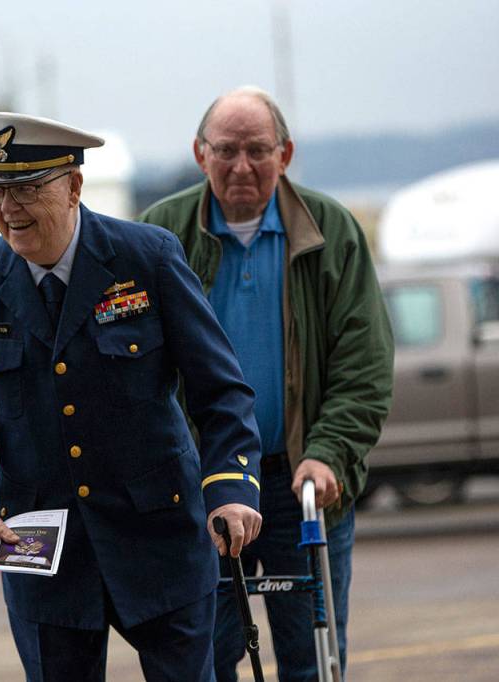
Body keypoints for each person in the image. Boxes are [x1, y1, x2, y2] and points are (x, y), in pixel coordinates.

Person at [0, 112, 264, 681]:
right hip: (38, 551)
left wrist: (231, 490)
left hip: (158, 538)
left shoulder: (147, 257)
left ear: (74, 186)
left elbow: (222, 391)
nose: (8, 209)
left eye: (27, 189)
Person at [138, 86, 394, 681]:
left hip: (298, 483)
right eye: (226, 150)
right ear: (200, 155)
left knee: (311, 662)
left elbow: (365, 365)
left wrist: (328, 454)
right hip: (199, 487)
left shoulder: (333, 232)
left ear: (286, 153)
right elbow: (135, 368)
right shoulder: (160, 235)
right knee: (204, 660)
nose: (242, 167)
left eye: (258, 150)